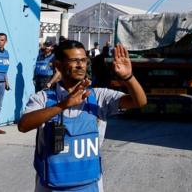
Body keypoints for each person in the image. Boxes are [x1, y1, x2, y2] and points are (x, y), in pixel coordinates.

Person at [18, 40, 147, 192]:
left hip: (90, 186)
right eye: (74, 60)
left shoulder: (99, 96)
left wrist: (128, 77)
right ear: (58, 65)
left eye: (84, 60)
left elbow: (139, 101)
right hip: (50, 186)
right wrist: (63, 104)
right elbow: (23, 125)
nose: (81, 65)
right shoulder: (43, 98)